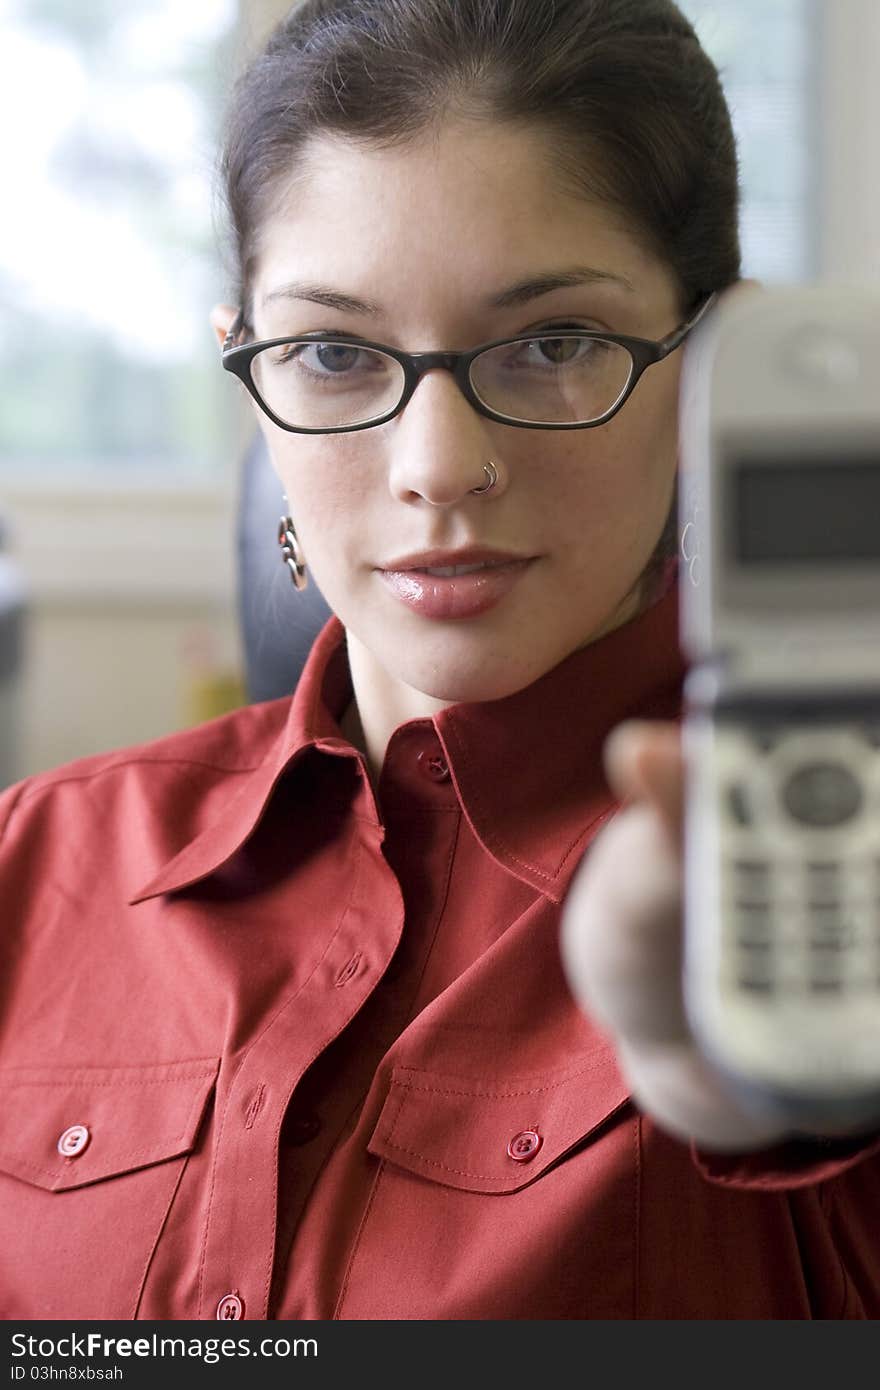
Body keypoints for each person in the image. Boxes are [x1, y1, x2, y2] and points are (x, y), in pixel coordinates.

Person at [1, 0, 879, 1323]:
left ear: (715, 365)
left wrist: (770, 1074)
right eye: (336, 354)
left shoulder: (833, 870)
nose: (438, 469)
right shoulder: (36, 863)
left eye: (556, 342)